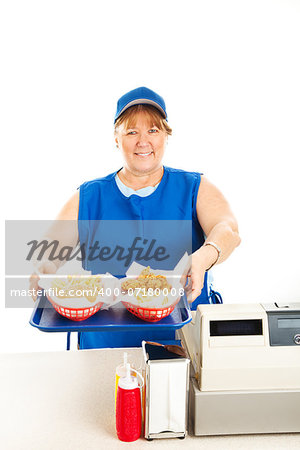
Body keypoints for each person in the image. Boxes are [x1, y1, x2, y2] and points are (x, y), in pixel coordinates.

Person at [30, 86, 241, 348]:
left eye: (153, 130)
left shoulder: (194, 187)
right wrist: (44, 270)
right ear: (116, 138)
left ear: (166, 136)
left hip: (182, 342)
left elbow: (228, 230)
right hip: (104, 345)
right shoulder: (89, 196)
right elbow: (50, 250)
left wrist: (204, 256)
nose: (143, 141)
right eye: (132, 132)